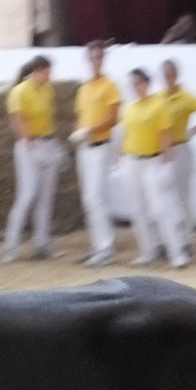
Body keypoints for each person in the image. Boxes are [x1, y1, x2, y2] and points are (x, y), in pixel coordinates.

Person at [119, 68, 189, 269]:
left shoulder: (159, 105)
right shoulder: (129, 108)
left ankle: (176, 252)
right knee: (137, 208)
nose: (135, 87)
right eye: (133, 84)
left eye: (138, 83)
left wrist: (166, 162)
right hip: (133, 160)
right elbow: (126, 135)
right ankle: (147, 249)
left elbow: (165, 135)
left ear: (146, 83)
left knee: (160, 208)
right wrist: (121, 157)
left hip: (152, 160)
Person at [2, 55, 63, 263]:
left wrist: (54, 144)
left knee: (46, 197)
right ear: (37, 71)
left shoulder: (48, 89)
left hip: (47, 141)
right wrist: (30, 144)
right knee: (27, 195)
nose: (49, 76)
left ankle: (42, 244)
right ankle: (10, 247)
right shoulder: (19, 92)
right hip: (29, 145)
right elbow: (17, 122)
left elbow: (49, 118)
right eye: (47, 72)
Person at [69, 41, 120, 267]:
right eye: (92, 57)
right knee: (88, 199)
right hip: (85, 147)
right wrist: (79, 132)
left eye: (99, 57)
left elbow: (113, 118)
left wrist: (90, 130)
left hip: (99, 144)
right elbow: (80, 116)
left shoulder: (110, 86)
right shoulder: (84, 88)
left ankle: (105, 247)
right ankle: (97, 244)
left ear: (103, 59)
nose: (95, 61)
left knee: (95, 197)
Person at [157, 60, 196, 249]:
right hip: (163, 150)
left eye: (171, 74)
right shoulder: (158, 97)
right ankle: (169, 237)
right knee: (165, 196)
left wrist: (194, 130)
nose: (168, 78)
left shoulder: (186, 97)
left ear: (176, 75)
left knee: (181, 195)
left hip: (180, 147)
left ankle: (187, 238)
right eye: (165, 74)